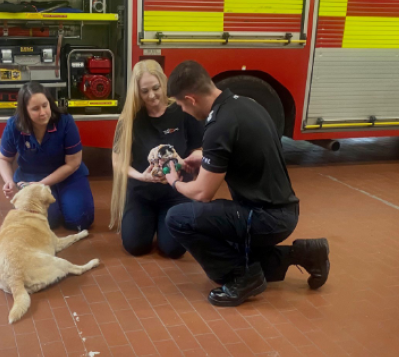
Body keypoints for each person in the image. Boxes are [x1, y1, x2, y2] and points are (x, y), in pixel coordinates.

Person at [162, 60, 330, 307]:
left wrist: (174, 182)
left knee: (178, 218)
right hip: (284, 211)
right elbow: (242, 149)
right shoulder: (246, 104)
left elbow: (202, 193)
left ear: (191, 99)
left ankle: (243, 278)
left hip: (264, 217)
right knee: (229, 245)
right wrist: (204, 157)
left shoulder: (219, 125)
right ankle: (307, 254)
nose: (182, 110)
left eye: (180, 104)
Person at [109, 60, 204, 258]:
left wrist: (182, 162)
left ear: (163, 83)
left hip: (175, 192)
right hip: (142, 193)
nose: (151, 95)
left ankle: (169, 219)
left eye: (155, 88)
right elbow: (118, 162)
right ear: (137, 92)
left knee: (173, 250)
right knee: (135, 246)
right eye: (144, 91)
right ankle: (147, 220)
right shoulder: (130, 119)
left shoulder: (182, 111)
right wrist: (142, 177)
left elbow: (199, 149)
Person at [0, 81, 95, 231]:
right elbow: (3, 159)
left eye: (45, 105)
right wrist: (9, 182)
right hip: (32, 177)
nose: (43, 112)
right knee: (47, 221)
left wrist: (42, 184)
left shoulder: (65, 121)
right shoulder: (14, 126)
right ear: (25, 111)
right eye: (35, 109)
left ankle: (65, 200)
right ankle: (59, 204)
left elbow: (73, 163)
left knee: (79, 221)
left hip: (68, 175)